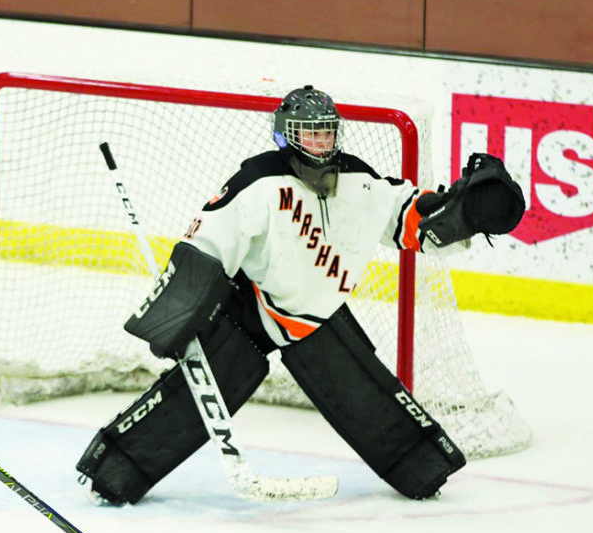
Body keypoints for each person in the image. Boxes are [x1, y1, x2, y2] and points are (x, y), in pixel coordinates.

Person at [76, 85, 525, 505]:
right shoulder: (259, 180)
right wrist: (176, 314)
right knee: (197, 393)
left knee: (367, 396)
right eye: (309, 133)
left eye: (327, 132)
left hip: (316, 314)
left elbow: (406, 215)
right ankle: (113, 471)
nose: (321, 142)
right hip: (251, 308)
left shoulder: (358, 181)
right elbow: (208, 241)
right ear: (285, 135)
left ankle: (423, 468)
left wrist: (464, 212)